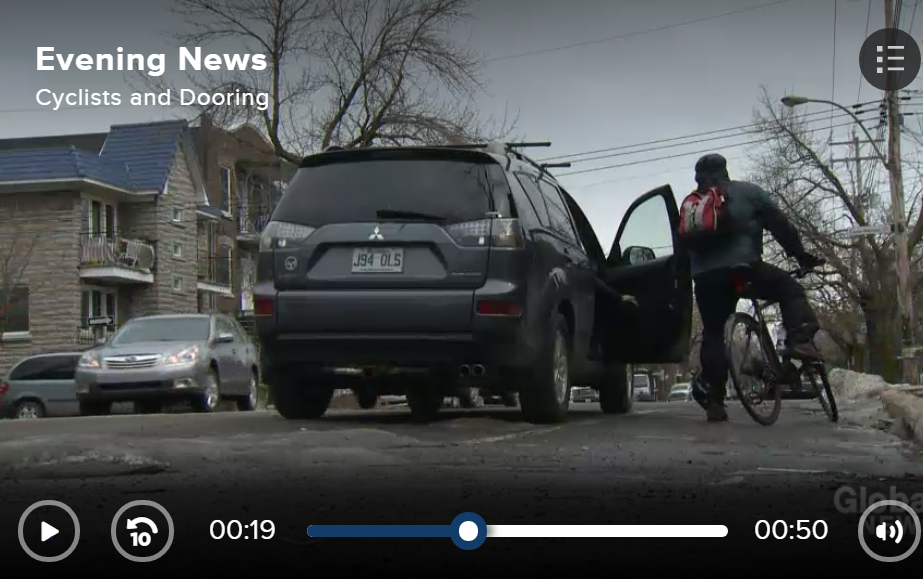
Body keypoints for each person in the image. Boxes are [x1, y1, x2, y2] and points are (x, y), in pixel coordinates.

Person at [686, 153, 825, 422]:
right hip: (743, 268)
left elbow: (684, 244)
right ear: (725, 171)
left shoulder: (693, 204)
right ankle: (799, 341)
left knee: (713, 332)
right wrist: (799, 256)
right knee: (789, 288)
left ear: (698, 177)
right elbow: (780, 225)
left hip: (705, 278)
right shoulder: (747, 192)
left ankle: (715, 400)